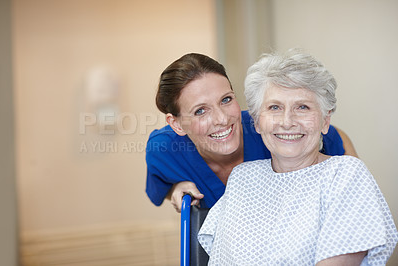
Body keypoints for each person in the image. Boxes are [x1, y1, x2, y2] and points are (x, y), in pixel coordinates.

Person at [197, 49, 398, 265]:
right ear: (256, 122)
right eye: (275, 107)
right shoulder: (243, 178)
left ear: (325, 121)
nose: (287, 121)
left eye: (302, 107)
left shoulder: (346, 176)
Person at [145, 53, 357, 212]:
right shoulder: (163, 149)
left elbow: (333, 135)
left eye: (226, 99)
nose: (222, 119)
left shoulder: (268, 128)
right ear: (177, 124)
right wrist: (175, 189)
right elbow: (162, 188)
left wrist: (353, 187)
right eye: (200, 111)